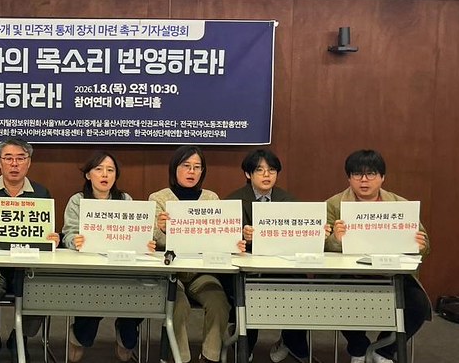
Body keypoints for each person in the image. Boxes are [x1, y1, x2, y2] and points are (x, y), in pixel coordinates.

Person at [326, 150, 431, 363]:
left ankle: (383, 350)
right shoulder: (333, 205)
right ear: (349, 178)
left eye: (371, 174)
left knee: (418, 305)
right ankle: (358, 348)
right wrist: (335, 239)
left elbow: (425, 244)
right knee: (334, 298)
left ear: (382, 177)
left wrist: (420, 245)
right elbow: (321, 245)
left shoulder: (400, 205)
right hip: (350, 274)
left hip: (391, 275)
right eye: (357, 174)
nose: (364, 180)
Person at [0, 137, 59, 363]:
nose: (14, 164)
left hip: (28, 267)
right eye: (8, 158)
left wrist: (53, 238)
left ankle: (20, 337)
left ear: (29, 162)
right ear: (0, 163)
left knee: (40, 290)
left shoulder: (41, 193)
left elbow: (47, 233)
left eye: (20, 158)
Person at [150, 145, 244, 363]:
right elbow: (153, 241)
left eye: (197, 167)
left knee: (219, 303)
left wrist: (233, 242)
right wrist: (162, 230)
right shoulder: (159, 198)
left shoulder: (211, 198)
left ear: (202, 171)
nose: (191, 172)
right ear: (174, 169)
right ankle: (180, 358)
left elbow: (219, 237)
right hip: (172, 273)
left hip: (202, 271)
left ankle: (210, 356)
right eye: (186, 166)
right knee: (178, 306)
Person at [224, 149, 319, 363]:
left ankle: (291, 341)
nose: (266, 175)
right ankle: (244, 344)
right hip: (246, 268)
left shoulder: (289, 201)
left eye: (272, 170)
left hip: (281, 265)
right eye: (260, 170)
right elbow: (222, 238)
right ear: (248, 174)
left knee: (299, 284)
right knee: (244, 290)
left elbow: (299, 237)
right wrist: (241, 236)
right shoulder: (233, 201)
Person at [61, 151, 150, 362]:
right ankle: (79, 336)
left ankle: (126, 333)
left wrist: (144, 242)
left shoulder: (125, 200)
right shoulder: (78, 200)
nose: (105, 174)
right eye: (99, 169)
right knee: (93, 296)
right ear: (88, 175)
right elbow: (68, 233)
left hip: (122, 266)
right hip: (89, 266)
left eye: (110, 170)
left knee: (141, 292)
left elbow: (136, 232)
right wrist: (74, 241)